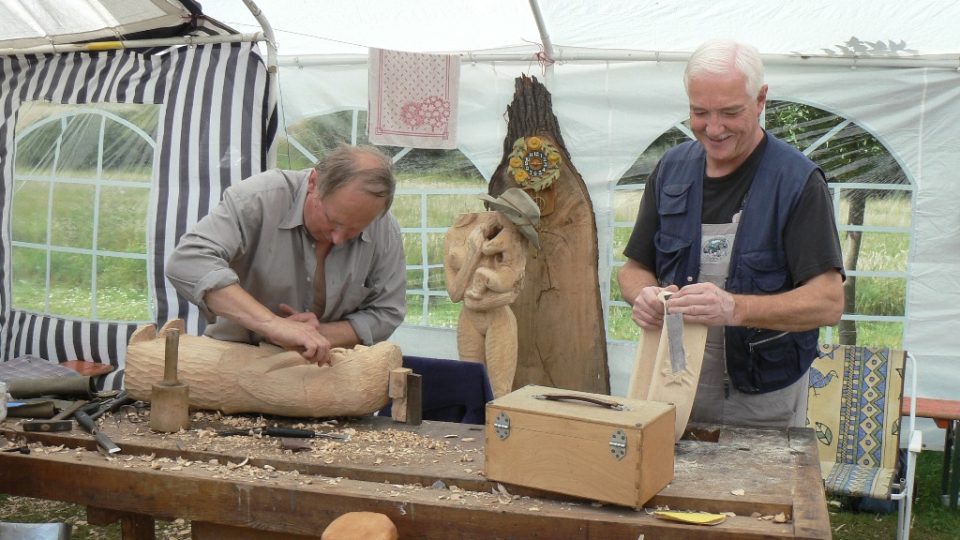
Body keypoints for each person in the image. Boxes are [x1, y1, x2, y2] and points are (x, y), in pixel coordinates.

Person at [618, 39, 844, 428]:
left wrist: (736, 309)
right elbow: (633, 269)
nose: (714, 128)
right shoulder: (670, 169)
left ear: (760, 100)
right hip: (670, 379)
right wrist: (643, 294)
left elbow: (828, 303)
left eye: (730, 112)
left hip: (761, 398)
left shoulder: (797, 182)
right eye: (700, 112)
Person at [166, 144, 406, 365]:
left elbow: (387, 311)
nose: (339, 239)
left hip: (328, 367)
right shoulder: (258, 199)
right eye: (333, 222)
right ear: (314, 183)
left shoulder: (383, 227)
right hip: (237, 361)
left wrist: (315, 335)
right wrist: (272, 325)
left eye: (355, 230)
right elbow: (188, 261)